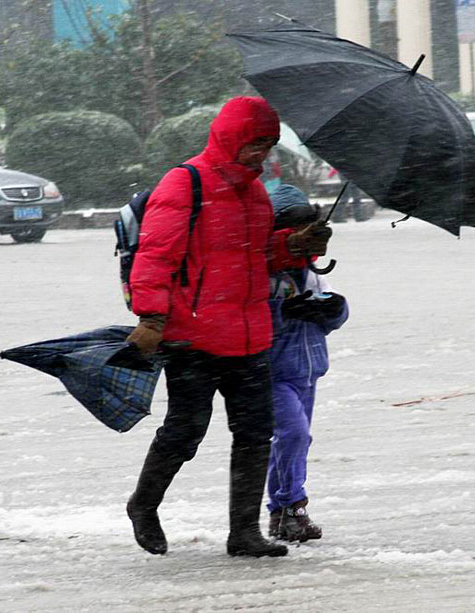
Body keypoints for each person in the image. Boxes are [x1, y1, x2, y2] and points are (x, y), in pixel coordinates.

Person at [124, 97, 333, 558]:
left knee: (256, 434)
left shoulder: (256, 194)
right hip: (192, 337)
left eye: (268, 144)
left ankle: (244, 532)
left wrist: (294, 244)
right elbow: (155, 257)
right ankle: (143, 504)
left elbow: (256, 257)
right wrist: (151, 318)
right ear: (230, 138)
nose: (261, 152)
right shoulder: (185, 183)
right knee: (184, 432)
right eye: (254, 143)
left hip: (249, 336)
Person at [265, 185, 349, 542]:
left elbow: (327, 317)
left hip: (308, 370)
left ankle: (280, 510)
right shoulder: (264, 272)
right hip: (273, 372)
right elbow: (250, 319)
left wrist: (335, 309)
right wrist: (284, 311)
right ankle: (293, 504)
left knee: (291, 440)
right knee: (294, 435)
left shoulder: (312, 273)